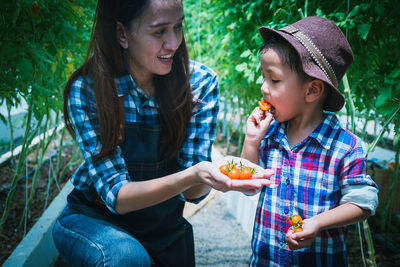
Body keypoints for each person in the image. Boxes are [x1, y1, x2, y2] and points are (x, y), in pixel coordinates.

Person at [52, 1, 273, 266]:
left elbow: (194, 194)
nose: (173, 43)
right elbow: (117, 197)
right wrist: (193, 173)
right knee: (126, 259)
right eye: (159, 32)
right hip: (95, 218)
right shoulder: (89, 91)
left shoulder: (199, 84)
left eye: (178, 27)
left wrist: (214, 173)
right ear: (122, 34)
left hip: (162, 227)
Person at [241, 16, 379, 266]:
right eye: (264, 77)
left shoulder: (345, 147)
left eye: (274, 80)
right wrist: (251, 141)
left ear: (313, 91)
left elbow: (363, 202)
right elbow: (249, 185)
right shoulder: (270, 134)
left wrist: (317, 223)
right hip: (266, 260)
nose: (263, 88)